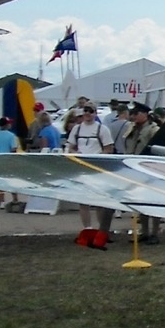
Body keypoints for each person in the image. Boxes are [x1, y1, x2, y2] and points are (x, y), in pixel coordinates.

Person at [66, 103, 115, 246]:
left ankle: (102, 231)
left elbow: (109, 148)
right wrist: (76, 154)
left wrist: (97, 159)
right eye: (85, 111)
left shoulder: (102, 129)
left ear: (95, 113)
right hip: (80, 168)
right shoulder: (77, 128)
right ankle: (87, 229)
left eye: (91, 111)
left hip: (96, 169)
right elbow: (70, 147)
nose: (87, 114)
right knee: (83, 201)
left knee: (99, 202)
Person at [114, 102, 161, 243]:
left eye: (137, 113)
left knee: (154, 201)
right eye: (133, 114)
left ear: (145, 114)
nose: (134, 116)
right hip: (134, 168)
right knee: (140, 201)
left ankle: (154, 233)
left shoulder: (154, 129)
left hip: (150, 169)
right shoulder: (131, 128)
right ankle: (144, 231)